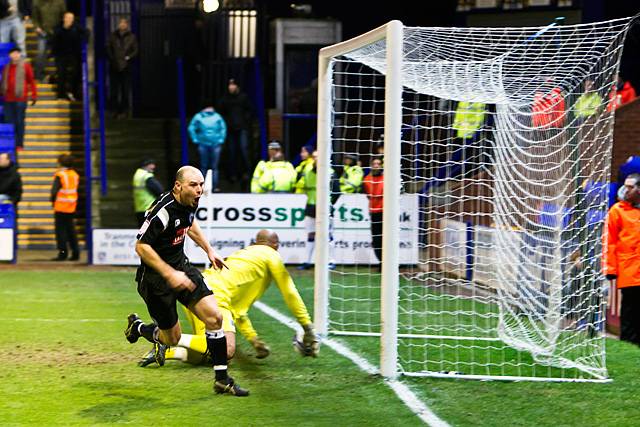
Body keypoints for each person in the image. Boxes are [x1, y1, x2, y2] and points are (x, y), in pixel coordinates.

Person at [124, 166, 249, 396]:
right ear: (178, 186)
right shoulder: (162, 211)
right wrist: (168, 273)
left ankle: (222, 379)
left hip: (182, 267)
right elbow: (141, 246)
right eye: (194, 185)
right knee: (172, 338)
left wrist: (209, 250)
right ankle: (139, 327)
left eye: (201, 185)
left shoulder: (190, 201)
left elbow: (189, 224)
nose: (199, 189)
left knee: (215, 317)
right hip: (156, 280)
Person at [137, 229, 319, 366]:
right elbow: (290, 292)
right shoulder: (271, 255)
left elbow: (237, 311)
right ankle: (159, 337)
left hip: (201, 290)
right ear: (274, 245)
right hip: (213, 297)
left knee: (211, 354)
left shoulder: (246, 256)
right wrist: (307, 326)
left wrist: (254, 340)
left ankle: (167, 350)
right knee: (225, 350)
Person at [604, 173, 640, 346]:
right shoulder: (617, 211)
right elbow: (609, 241)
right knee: (629, 311)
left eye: (630, 187)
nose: (626, 190)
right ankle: (627, 345)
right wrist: (610, 269)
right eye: (625, 186)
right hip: (629, 270)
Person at [217, 78, 253, 189]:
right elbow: (221, 112)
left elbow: (249, 111)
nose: (231, 87)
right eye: (230, 85)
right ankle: (232, 175)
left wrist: (245, 121)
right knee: (232, 152)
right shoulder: (225, 99)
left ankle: (247, 173)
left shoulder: (243, 98)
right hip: (231, 129)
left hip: (241, 128)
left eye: (233, 85)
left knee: (243, 151)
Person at [0, 47, 37, 151]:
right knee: (9, 122)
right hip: (8, 99)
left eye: (17, 53)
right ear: (9, 55)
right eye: (13, 53)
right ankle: (11, 143)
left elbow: (31, 81)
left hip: (21, 99)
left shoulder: (25, 66)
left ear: (20, 54)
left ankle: (19, 144)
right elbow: (3, 81)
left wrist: (34, 94)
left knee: (19, 122)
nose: (15, 55)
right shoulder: (6, 67)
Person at [187, 104, 227, 189]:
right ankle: (214, 187)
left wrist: (195, 139)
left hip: (203, 144)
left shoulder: (198, 116)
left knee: (203, 166)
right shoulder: (217, 116)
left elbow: (191, 128)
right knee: (214, 167)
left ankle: (202, 186)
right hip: (215, 144)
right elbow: (223, 128)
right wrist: (221, 139)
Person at [51, 11, 88, 101]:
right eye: (68, 17)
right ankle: (61, 95)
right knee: (61, 74)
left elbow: (86, 32)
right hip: (61, 55)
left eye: (72, 18)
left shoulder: (77, 27)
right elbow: (53, 40)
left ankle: (73, 93)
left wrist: (83, 41)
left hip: (74, 54)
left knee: (75, 73)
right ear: (64, 18)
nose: (70, 20)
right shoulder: (58, 28)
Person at [106, 18, 138, 118]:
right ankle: (113, 110)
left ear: (127, 25)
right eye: (121, 23)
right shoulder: (112, 36)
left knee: (125, 89)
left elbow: (135, 50)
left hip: (126, 66)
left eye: (124, 23)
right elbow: (108, 48)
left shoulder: (132, 37)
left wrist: (128, 57)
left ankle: (124, 111)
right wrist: (112, 59)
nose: (122, 25)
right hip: (114, 66)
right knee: (114, 90)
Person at [50, 153, 79, 261]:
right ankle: (76, 252)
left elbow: (54, 191)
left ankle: (63, 253)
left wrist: (53, 201)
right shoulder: (75, 174)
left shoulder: (60, 175)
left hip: (61, 206)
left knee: (61, 232)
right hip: (72, 206)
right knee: (71, 231)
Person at [31, 0, 65, 82]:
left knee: (59, 55)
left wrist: (61, 29)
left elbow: (63, 16)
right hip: (43, 33)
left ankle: (60, 76)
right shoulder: (36, 2)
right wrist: (37, 27)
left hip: (57, 33)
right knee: (41, 54)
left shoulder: (60, 2)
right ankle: (38, 76)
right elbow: (35, 18)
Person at [362, 158, 383, 266]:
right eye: (374, 164)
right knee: (376, 239)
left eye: (378, 164)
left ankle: (388, 262)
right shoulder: (366, 180)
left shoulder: (387, 178)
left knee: (386, 237)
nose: (376, 166)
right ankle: (381, 262)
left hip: (385, 213)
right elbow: (367, 195)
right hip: (374, 212)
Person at [132, 158, 163, 227]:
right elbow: (159, 190)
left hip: (139, 208)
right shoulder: (146, 176)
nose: (154, 167)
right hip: (149, 208)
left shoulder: (137, 175)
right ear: (146, 165)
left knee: (143, 233)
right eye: (152, 165)